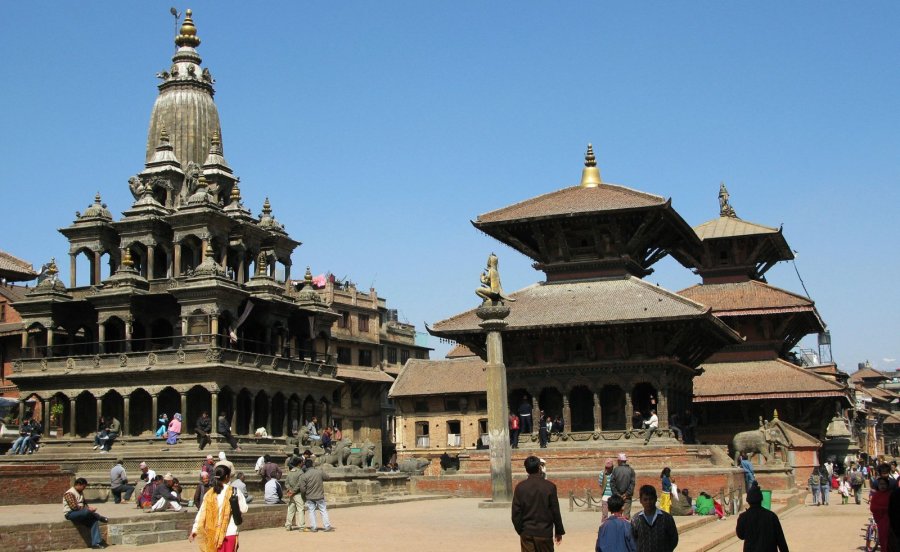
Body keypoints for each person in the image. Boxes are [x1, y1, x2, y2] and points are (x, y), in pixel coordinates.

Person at [190, 463, 248, 552]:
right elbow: (244, 509)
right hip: (230, 532)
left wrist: (194, 530)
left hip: (212, 533)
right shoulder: (234, 491)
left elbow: (201, 513)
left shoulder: (209, 494)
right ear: (227, 477)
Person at [511, 455, 565, 551]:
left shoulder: (520, 487)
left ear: (526, 469)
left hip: (527, 532)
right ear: (539, 468)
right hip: (544, 532)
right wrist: (558, 531)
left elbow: (515, 513)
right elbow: (555, 511)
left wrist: (521, 530)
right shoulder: (549, 487)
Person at [735, 483, 789, 552]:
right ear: (761, 499)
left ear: (748, 500)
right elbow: (780, 539)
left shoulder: (743, 517)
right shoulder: (771, 516)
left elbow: (741, 535)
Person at [64, 477, 109, 549]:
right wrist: (88, 510)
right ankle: (99, 517)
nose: (84, 488)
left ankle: (96, 543)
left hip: (81, 513)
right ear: (78, 484)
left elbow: (84, 504)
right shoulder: (69, 493)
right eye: (83, 487)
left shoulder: (80, 492)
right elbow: (74, 507)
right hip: (71, 514)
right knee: (87, 512)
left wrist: (88, 508)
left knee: (94, 521)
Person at [630, 485, 678, 552]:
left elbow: (674, 539)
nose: (648, 502)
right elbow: (633, 540)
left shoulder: (666, 518)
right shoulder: (636, 519)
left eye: (651, 499)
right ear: (640, 500)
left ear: (655, 499)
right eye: (645, 499)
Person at [299, 458, 334, 532]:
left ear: (305, 466)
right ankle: (327, 526)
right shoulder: (319, 472)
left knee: (311, 511)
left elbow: (302, 489)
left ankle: (313, 527)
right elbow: (328, 477)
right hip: (319, 495)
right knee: (323, 510)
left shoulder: (304, 476)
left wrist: (304, 495)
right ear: (312, 465)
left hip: (309, 496)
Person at [611, 453, 636, 518]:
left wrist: (618, 495)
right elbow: (632, 484)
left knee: (617, 515)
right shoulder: (631, 470)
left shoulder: (615, 470)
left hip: (617, 498)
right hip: (627, 497)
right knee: (626, 516)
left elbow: (612, 484)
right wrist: (626, 494)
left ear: (619, 461)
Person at [284, 457, 306, 531]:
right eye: (302, 462)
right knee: (300, 509)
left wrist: (290, 490)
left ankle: (288, 525)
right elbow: (300, 484)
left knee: (291, 509)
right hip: (298, 494)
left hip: (292, 494)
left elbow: (286, 483)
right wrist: (293, 491)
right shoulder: (300, 472)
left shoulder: (290, 472)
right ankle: (301, 526)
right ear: (299, 463)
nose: (303, 463)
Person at [870, 476, 891, 552]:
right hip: (881, 521)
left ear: (887, 485)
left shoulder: (891, 495)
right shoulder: (876, 496)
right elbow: (873, 508)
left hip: (891, 521)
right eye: (880, 484)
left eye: (884, 484)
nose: (882, 486)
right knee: (883, 540)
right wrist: (882, 509)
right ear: (878, 486)